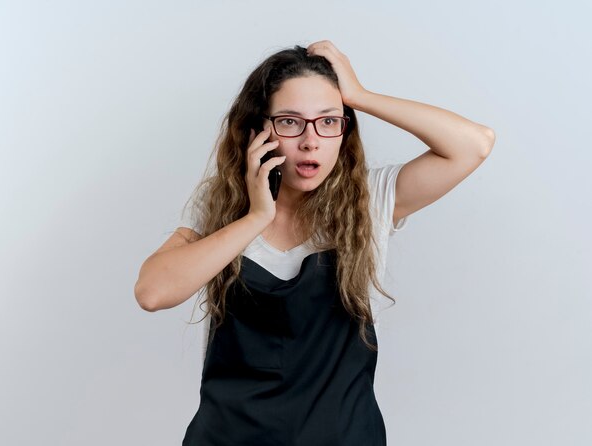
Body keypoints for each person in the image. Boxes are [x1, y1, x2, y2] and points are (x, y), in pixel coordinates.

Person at [134, 40, 495, 445]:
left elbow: (474, 144)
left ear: (345, 129)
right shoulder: (222, 207)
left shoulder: (368, 200)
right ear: (259, 129)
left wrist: (360, 96)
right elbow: (152, 292)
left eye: (328, 121)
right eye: (290, 122)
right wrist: (256, 217)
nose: (311, 141)